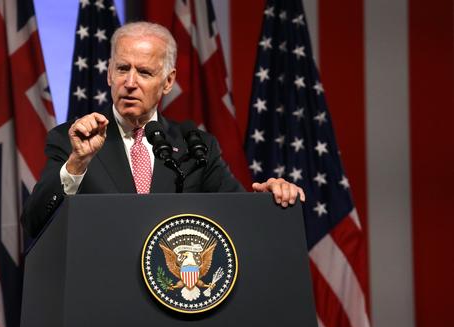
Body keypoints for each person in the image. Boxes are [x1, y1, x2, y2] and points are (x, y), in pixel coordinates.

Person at [22, 22, 304, 238]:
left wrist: (269, 200)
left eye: (144, 72)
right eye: (122, 69)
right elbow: (34, 222)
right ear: (109, 73)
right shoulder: (71, 141)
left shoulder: (197, 147)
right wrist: (76, 164)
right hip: (101, 296)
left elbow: (239, 217)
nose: (130, 82)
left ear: (168, 81)